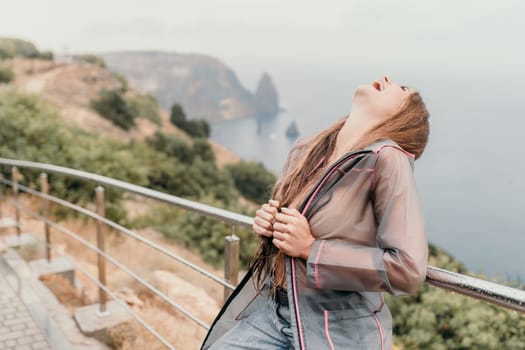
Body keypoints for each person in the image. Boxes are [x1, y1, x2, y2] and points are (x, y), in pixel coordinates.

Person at [201, 75, 430, 350]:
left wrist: (311, 248)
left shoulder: (387, 159)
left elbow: (407, 269)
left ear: (402, 117)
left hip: (337, 331)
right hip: (274, 312)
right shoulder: (309, 152)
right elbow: (299, 232)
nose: (386, 78)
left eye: (402, 89)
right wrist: (272, 227)